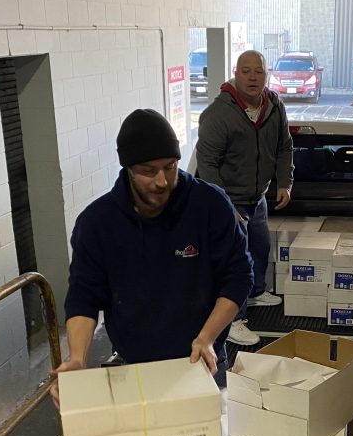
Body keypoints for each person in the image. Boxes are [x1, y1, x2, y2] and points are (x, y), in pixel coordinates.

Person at [50, 108, 253, 406]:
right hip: (137, 366)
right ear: (128, 168)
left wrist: (207, 337)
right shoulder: (97, 223)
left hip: (203, 359)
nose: (162, 181)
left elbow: (238, 277)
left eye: (170, 167)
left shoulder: (209, 205)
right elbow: (84, 295)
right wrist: (77, 359)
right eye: (148, 171)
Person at [196, 50, 293, 346]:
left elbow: (284, 147)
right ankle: (234, 321)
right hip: (231, 201)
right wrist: (224, 206)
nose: (253, 77)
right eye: (246, 71)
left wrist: (285, 183)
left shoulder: (274, 107)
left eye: (259, 71)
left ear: (267, 74)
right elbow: (206, 164)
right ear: (235, 73)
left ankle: (256, 292)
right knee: (235, 264)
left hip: (258, 198)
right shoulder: (218, 114)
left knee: (260, 248)